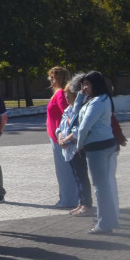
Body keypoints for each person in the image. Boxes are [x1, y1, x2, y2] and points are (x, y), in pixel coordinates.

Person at [74, 71, 119, 234]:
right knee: (104, 185)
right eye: (83, 84)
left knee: (100, 186)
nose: (84, 88)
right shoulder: (101, 99)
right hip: (106, 144)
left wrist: (79, 144)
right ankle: (109, 220)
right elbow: (75, 114)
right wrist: (80, 96)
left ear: (96, 85)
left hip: (97, 146)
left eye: (87, 84)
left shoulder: (97, 102)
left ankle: (104, 224)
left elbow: (84, 126)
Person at [57, 73, 93, 217]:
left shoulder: (80, 110)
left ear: (75, 94)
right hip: (68, 149)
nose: (65, 97)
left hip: (77, 148)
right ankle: (81, 202)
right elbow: (59, 127)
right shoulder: (68, 110)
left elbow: (78, 130)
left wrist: (66, 140)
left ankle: (87, 205)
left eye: (68, 94)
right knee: (77, 177)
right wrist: (60, 138)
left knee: (82, 177)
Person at [45, 67, 78, 209]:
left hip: (61, 138)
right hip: (57, 137)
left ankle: (68, 200)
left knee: (64, 170)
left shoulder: (59, 94)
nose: (50, 81)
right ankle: (66, 198)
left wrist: (67, 135)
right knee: (63, 170)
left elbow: (68, 113)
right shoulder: (58, 93)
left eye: (52, 78)